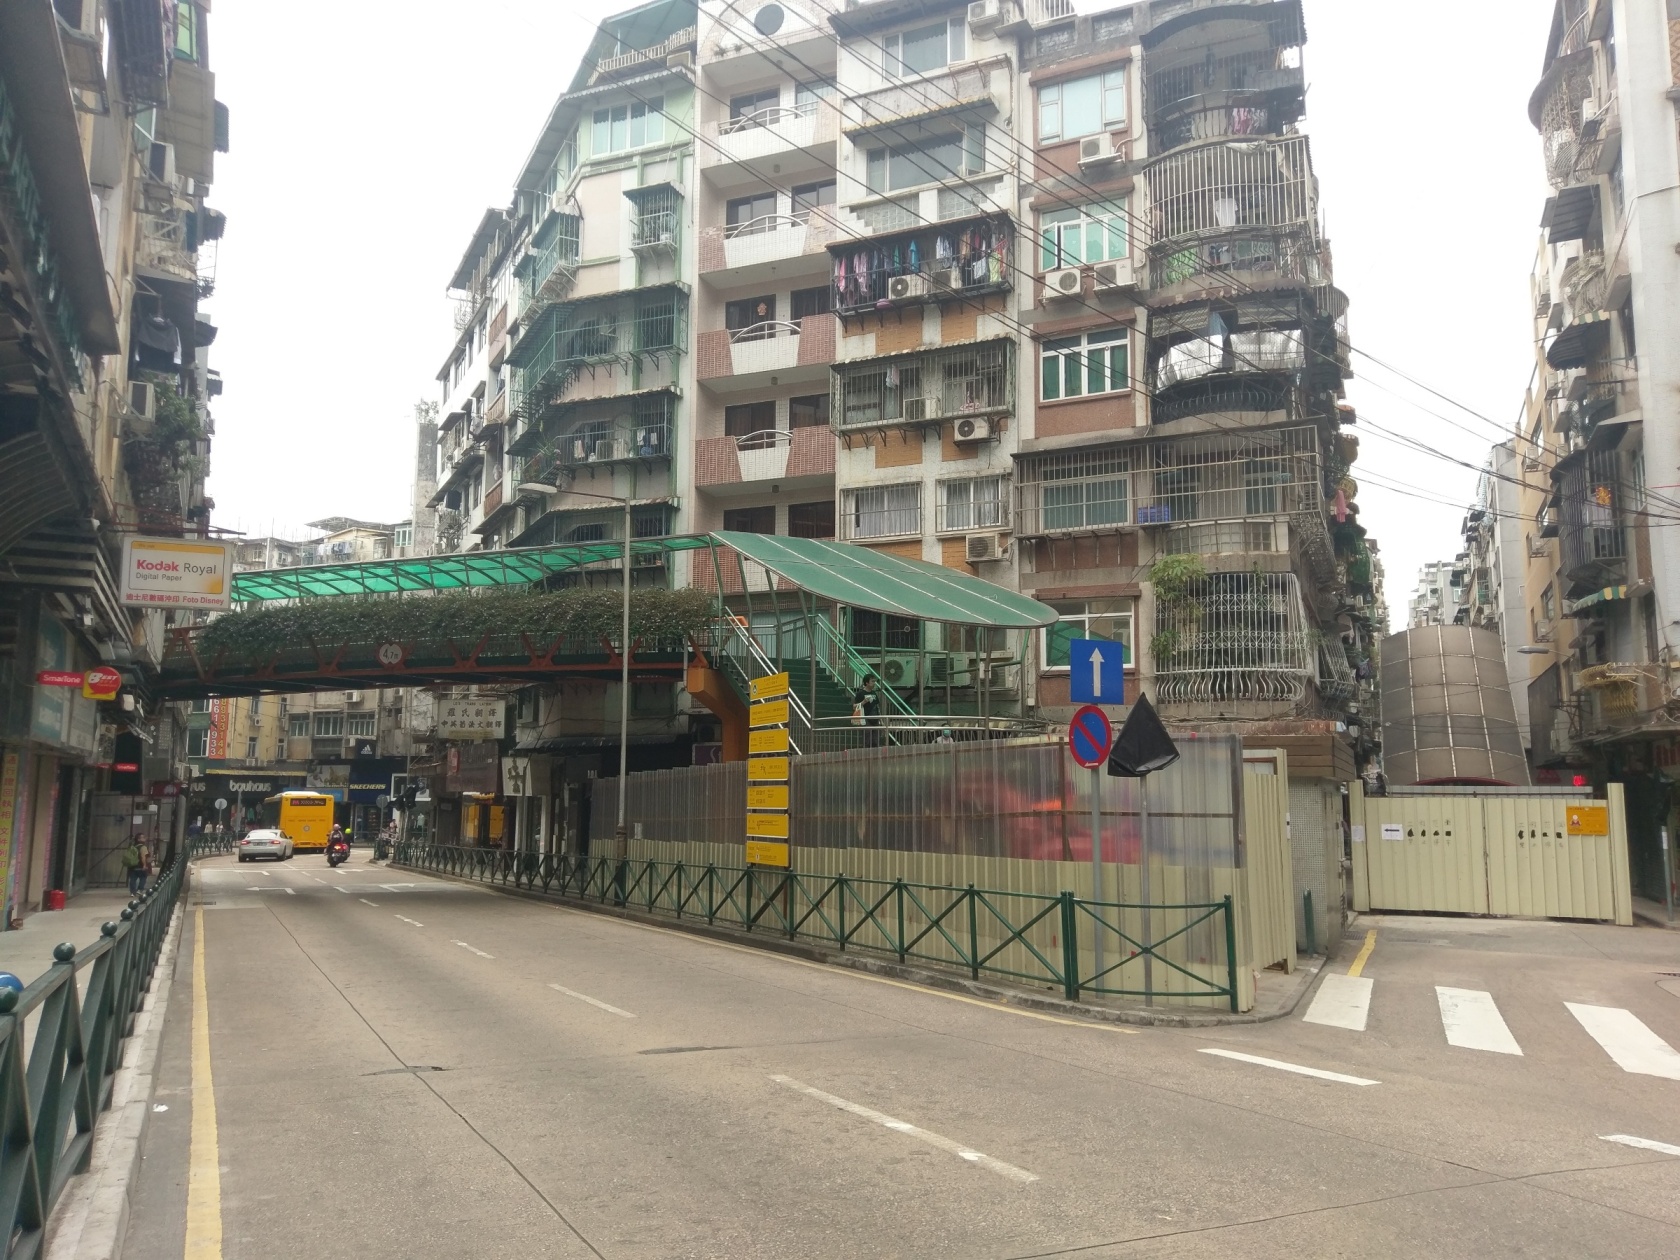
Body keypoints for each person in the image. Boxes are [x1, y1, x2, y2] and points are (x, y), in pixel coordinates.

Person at [852, 675, 882, 747]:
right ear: (867, 683)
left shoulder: (874, 693)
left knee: (876, 739)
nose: (874, 683)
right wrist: (863, 702)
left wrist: (880, 719)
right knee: (867, 739)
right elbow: (854, 706)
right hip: (866, 718)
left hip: (875, 717)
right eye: (872, 681)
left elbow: (877, 706)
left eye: (874, 681)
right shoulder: (860, 693)